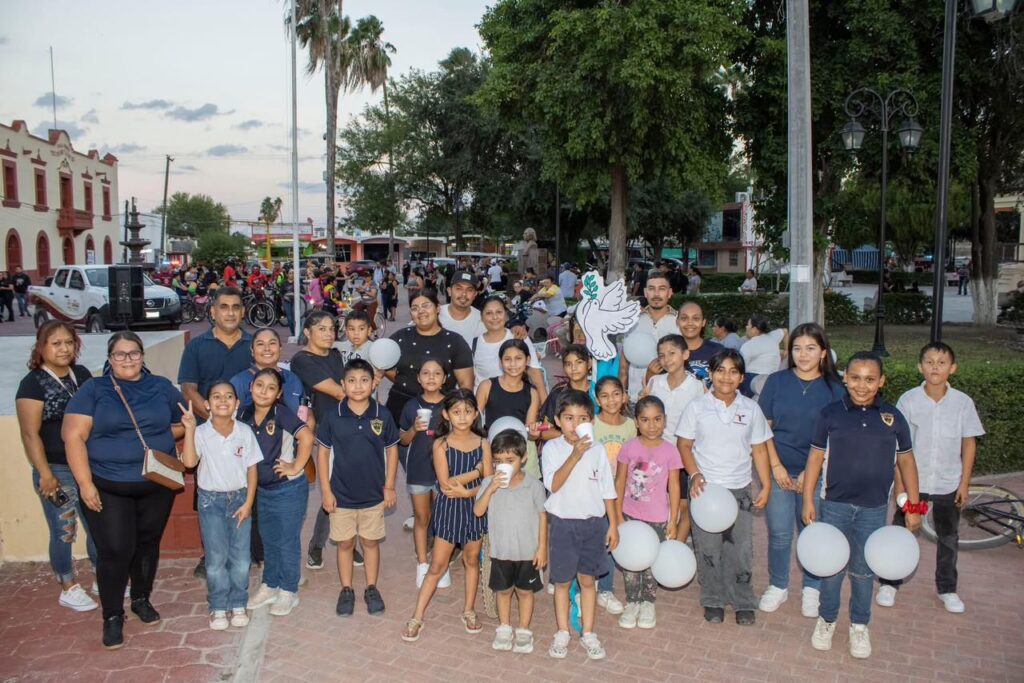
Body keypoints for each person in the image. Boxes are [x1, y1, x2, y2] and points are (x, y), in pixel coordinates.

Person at [62, 332, 184, 649]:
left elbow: (184, 421)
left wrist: (161, 435)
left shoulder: (161, 387)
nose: (128, 359)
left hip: (156, 485)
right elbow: (73, 436)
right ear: (110, 358)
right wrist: (85, 484)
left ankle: (141, 598)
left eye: (134, 353)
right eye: (120, 354)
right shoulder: (94, 390)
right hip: (107, 484)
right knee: (115, 550)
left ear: (142, 356)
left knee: (147, 544)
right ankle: (113, 615)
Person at [802, 352, 921, 660]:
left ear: (881, 381)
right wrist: (807, 499)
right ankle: (827, 619)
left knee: (864, 571)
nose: (861, 385)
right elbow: (815, 458)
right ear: (845, 378)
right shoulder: (830, 414)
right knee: (831, 569)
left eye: (870, 379)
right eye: (855, 378)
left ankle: (859, 625)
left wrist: (914, 507)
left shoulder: (893, 417)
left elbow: (907, 462)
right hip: (834, 506)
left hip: (873, 509)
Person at [876, 342, 984, 614]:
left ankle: (947, 589)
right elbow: (899, 446)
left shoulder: (962, 403)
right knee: (902, 531)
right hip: (916, 483)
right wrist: (901, 487)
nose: (935, 367)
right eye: (929, 362)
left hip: (948, 482)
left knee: (948, 537)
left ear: (953, 368)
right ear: (920, 366)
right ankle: (890, 582)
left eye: (942, 362)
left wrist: (964, 483)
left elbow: (969, 443)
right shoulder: (908, 401)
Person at [756, 323, 846, 618]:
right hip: (778, 471)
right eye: (797, 348)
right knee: (780, 534)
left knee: (812, 531)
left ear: (823, 352)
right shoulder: (776, 382)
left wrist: (810, 472)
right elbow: (763, 430)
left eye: (810, 348)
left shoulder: (835, 390)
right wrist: (776, 467)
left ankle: (812, 588)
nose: (803, 354)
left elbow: (836, 438)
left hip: (816, 474)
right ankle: (778, 585)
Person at [677, 350, 772, 626]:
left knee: (740, 549)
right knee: (708, 549)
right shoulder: (696, 407)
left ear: (742, 377)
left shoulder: (751, 409)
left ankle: (742, 600)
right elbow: (684, 445)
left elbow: (759, 449)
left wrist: (766, 484)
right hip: (705, 492)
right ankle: (713, 599)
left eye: (733, 371)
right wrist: (695, 475)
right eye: (720, 370)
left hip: (739, 490)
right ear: (711, 374)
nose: (726, 377)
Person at [16, 321, 98, 611]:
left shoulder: (82, 375)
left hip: (86, 465)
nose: (64, 349)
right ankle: (67, 586)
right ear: (41, 348)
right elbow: (30, 434)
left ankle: (103, 576)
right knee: (64, 529)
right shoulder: (33, 383)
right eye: (56, 343)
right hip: (56, 468)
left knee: (97, 524)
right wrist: (45, 474)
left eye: (69, 342)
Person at [401, 390, 491, 641]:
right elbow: (446, 484)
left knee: (471, 561)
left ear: (475, 414)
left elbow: (490, 482)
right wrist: (476, 472)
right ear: (446, 414)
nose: (462, 417)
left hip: (476, 509)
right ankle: (417, 616)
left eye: (468, 412)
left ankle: (469, 610)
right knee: (437, 566)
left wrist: (470, 490)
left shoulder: (483, 444)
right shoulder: (441, 444)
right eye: (456, 412)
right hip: (449, 510)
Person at [178, 286, 253, 579]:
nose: (230, 313)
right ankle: (210, 553)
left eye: (235, 307)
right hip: (209, 432)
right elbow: (188, 387)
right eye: (224, 307)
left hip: (247, 431)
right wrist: (214, 417)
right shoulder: (197, 346)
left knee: (248, 487)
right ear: (212, 311)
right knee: (209, 493)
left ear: (242, 311)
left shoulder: (253, 343)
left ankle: (248, 550)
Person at [316, 359, 399, 617]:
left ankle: (371, 588)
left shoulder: (382, 414)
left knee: (370, 542)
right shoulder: (333, 416)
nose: (358, 386)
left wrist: (389, 486)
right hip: (341, 495)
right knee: (345, 544)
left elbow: (392, 450)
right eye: (351, 381)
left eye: (364, 380)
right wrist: (326, 491)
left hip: (373, 495)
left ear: (374, 384)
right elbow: (322, 454)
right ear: (343, 384)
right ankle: (347, 589)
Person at [541, 389, 618, 660]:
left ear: (591, 421)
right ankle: (562, 631)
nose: (575, 424)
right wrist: (574, 455)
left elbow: (607, 490)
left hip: (593, 525)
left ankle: (588, 632)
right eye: (569, 418)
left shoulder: (598, 451)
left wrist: (613, 524)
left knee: (588, 581)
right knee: (562, 582)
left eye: (582, 418)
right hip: (563, 524)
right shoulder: (551, 449)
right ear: (557, 420)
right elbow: (553, 484)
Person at [179, 383, 261, 631]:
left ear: (237, 403)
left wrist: (248, 503)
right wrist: (189, 430)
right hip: (210, 501)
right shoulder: (201, 433)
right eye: (216, 396)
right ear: (207, 404)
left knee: (241, 558)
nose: (222, 400)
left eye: (228, 396)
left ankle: (238, 603)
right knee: (216, 558)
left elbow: (252, 469)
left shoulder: (244, 432)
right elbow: (189, 462)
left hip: (240, 499)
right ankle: (218, 606)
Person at [238, 368, 314, 618]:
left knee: (287, 540)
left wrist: (295, 466)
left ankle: (288, 590)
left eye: (271, 388)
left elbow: (306, 436)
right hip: (262, 489)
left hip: (288, 489)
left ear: (279, 393)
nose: (264, 391)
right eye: (259, 385)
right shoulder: (243, 413)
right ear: (251, 386)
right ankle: (270, 585)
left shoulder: (281, 413)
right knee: (268, 538)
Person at [289, 311, 355, 571]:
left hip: (351, 427)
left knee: (350, 487)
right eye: (322, 329)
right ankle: (318, 544)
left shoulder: (336, 355)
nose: (329, 333)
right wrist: (363, 388)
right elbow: (339, 391)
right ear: (307, 332)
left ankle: (346, 541)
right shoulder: (302, 360)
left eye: (331, 328)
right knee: (334, 490)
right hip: (328, 434)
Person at [473, 430, 547, 654]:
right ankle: (504, 627)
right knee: (503, 591)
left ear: (523, 458)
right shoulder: (489, 482)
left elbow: (543, 516)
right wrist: (491, 488)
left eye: (510, 460)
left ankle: (524, 630)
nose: (503, 466)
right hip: (500, 551)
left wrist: (542, 548)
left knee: (525, 592)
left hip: (527, 552)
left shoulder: (534, 486)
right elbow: (478, 511)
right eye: (498, 461)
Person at [614, 395, 683, 629]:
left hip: (658, 518)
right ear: (636, 422)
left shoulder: (671, 451)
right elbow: (620, 481)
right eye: (645, 420)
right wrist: (617, 515)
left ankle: (648, 603)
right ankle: (632, 601)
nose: (651, 426)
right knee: (631, 564)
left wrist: (673, 520)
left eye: (657, 419)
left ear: (665, 420)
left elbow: (674, 486)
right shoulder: (629, 447)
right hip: (630, 516)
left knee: (652, 564)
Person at [643, 334, 705, 544]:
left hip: (683, 456)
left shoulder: (697, 387)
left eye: (672, 353)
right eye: (662, 355)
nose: (666, 359)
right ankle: (659, 542)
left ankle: (677, 546)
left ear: (685, 354)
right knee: (658, 501)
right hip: (656, 456)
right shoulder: (654, 382)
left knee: (684, 505)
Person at [384, 291, 474, 421]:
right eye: (415, 308)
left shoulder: (455, 341)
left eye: (426, 305)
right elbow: (383, 365)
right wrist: (403, 382)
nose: (421, 311)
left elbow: (466, 383)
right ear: (411, 313)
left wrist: (458, 412)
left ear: (437, 308)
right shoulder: (400, 337)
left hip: (441, 410)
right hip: (399, 407)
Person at [398, 360, 447, 588]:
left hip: (444, 471)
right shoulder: (411, 406)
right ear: (419, 378)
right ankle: (422, 564)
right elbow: (403, 440)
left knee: (441, 519)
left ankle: (440, 565)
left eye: (437, 373)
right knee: (421, 518)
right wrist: (413, 429)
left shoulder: (450, 405)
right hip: (418, 469)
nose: (431, 377)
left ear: (444, 378)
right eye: (426, 373)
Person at [591, 376, 635, 616]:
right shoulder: (591, 424)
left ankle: (605, 590)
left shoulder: (630, 426)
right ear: (597, 399)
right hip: (593, 494)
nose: (611, 400)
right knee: (590, 539)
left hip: (619, 494)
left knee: (611, 538)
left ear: (624, 396)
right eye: (605, 396)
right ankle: (583, 586)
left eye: (616, 394)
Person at [472, 296, 546, 401]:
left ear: (506, 315)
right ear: (481, 317)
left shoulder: (519, 337)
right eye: (489, 313)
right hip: (484, 405)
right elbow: (470, 379)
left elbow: (536, 376)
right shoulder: (474, 344)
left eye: (499, 312)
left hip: (517, 404)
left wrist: (546, 407)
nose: (494, 317)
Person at [621, 272, 677, 401]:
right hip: (636, 398)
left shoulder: (680, 322)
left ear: (669, 293)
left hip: (671, 400)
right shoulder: (632, 322)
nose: (656, 294)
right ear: (646, 292)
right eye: (651, 289)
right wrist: (622, 394)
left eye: (661, 289)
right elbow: (624, 366)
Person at [531, 344, 594, 445]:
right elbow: (544, 432)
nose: (574, 368)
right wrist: (570, 434)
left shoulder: (597, 392)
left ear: (589, 363)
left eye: (579, 362)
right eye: (568, 364)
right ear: (563, 367)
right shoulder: (558, 393)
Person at [230, 329, 304, 413]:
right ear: (252, 350)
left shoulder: (292, 379)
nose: (267, 348)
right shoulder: (239, 382)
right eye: (260, 344)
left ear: (280, 348)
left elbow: (306, 411)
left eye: (272, 343)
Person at [477, 339, 541, 434]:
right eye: (507, 359)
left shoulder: (532, 393)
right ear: (500, 361)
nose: (513, 364)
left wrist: (534, 433)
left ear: (527, 360)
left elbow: (529, 430)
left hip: (520, 441)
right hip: (490, 440)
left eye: (518, 358)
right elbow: (475, 421)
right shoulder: (486, 386)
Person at [439, 271, 486, 345]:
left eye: (469, 290)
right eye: (458, 289)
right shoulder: (435, 314)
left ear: (475, 294)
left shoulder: (482, 320)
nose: (464, 294)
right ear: (449, 291)